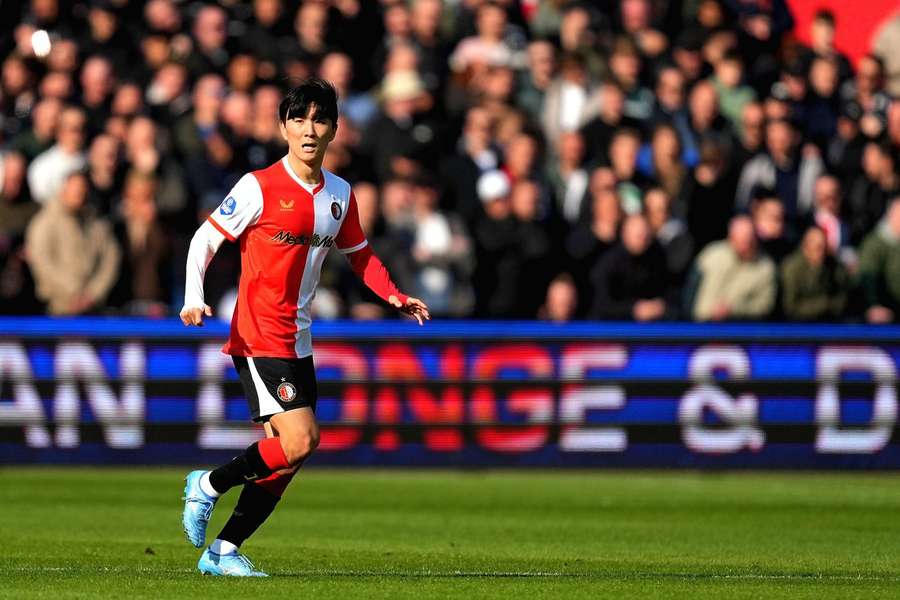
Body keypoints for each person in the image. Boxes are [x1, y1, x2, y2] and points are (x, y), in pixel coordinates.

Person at [178, 79, 429, 577]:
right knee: (302, 438)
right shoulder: (258, 186)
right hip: (258, 333)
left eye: (319, 120)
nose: (309, 130)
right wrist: (193, 295)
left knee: (286, 457)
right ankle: (207, 483)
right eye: (299, 119)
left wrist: (394, 295)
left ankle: (224, 550)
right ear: (283, 127)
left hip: (299, 337)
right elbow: (204, 239)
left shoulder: (340, 194)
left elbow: (361, 257)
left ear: (335, 129)